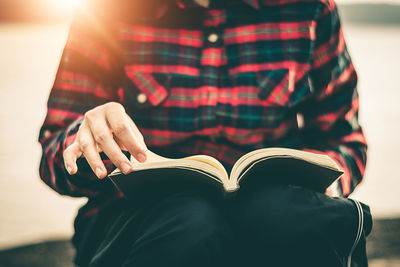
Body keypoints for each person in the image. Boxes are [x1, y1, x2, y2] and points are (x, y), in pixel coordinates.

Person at [38, 0, 372, 266]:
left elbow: (345, 140)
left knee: (282, 217)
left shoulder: (310, 8)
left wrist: (319, 185)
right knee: (191, 222)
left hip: (273, 216)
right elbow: (53, 158)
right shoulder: (105, 12)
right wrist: (87, 143)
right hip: (136, 221)